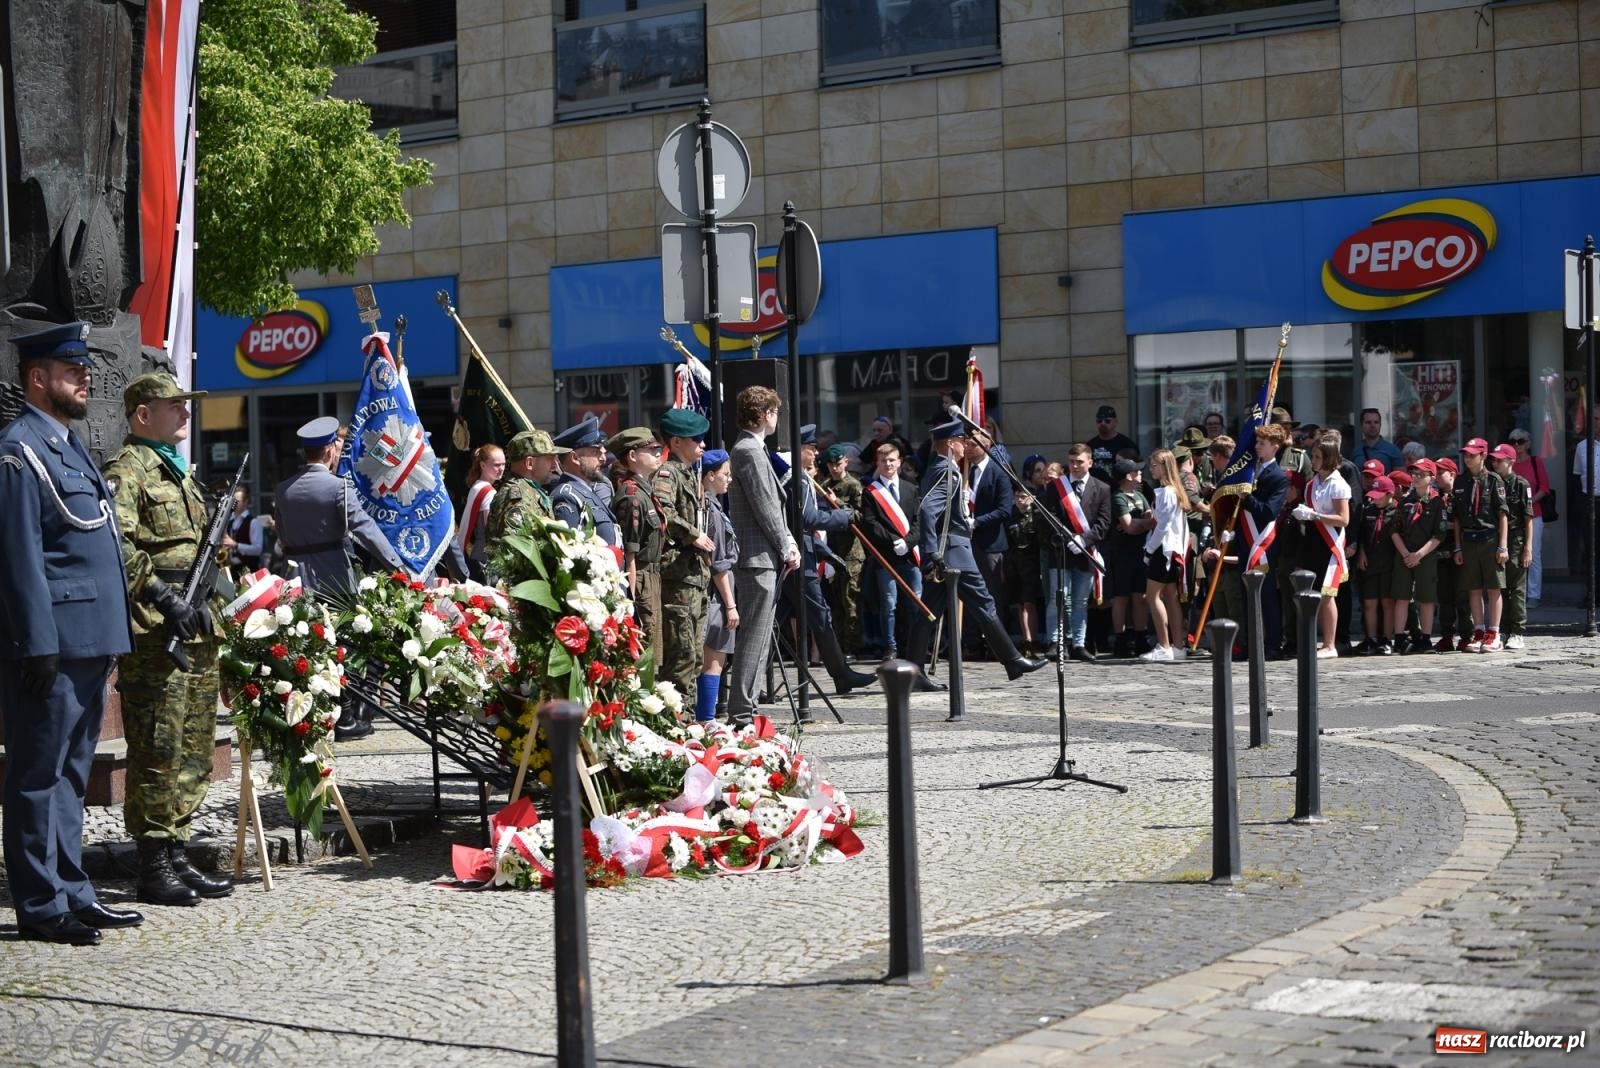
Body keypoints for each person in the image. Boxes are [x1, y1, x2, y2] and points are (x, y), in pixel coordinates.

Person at [0, 321, 140, 945]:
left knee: (70, 774)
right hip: (53, 643)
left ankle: (71, 890)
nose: (85, 377)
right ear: (37, 377)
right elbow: (20, 555)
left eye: (82, 367)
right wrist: (38, 643)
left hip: (89, 638)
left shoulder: (67, 443)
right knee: (35, 775)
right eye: (70, 368)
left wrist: (111, 635)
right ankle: (38, 903)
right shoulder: (19, 448)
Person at [102, 372, 235, 907]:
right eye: (174, 405)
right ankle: (153, 862)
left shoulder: (180, 473)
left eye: (186, 405)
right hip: (159, 629)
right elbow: (117, 543)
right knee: (158, 745)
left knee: (194, 745)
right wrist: (161, 594)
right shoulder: (126, 471)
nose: (186, 413)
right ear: (142, 415)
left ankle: (178, 848)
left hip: (198, 622)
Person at [901, 420, 1046, 697]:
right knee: (983, 602)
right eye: (961, 439)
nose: (966, 444)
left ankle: (914, 670)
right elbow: (929, 511)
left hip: (947, 551)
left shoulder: (941, 468)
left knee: (927, 613)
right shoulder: (947, 471)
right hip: (954, 553)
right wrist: (932, 552)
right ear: (951, 444)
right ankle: (1013, 660)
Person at [780, 424, 874, 702]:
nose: (815, 455)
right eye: (811, 450)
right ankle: (842, 674)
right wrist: (842, 518)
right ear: (800, 450)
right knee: (819, 615)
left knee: (777, 619)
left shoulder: (798, 478)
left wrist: (824, 552)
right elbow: (808, 519)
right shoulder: (798, 479)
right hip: (798, 559)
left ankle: (841, 674)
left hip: (802, 552)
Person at [726, 387, 800, 725]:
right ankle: (742, 712)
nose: (776, 418)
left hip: (762, 557)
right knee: (754, 638)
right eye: (774, 412)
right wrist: (786, 544)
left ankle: (748, 708)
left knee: (760, 637)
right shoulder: (748, 450)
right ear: (764, 414)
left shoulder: (753, 449)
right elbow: (766, 506)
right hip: (757, 557)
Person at [274, 416, 407, 598]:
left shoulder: (283, 490)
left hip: (294, 580)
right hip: (333, 579)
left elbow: (282, 536)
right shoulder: (338, 486)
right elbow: (363, 527)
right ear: (329, 451)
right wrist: (396, 565)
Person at [653, 408, 715, 699]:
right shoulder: (668, 473)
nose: (702, 444)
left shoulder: (688, 474)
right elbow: (663, 510)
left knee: (694, 657)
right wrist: (694, 535)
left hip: (693, 577)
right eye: (696, 439)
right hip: (678, 578)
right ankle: (678, 727)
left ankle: (690, 722)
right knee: (682, 657)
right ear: (676, 442)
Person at [1042, 444, 1110, 662]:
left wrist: (1083, 539)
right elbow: (1050, 517)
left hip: (1086, 552)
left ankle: (1079, 644)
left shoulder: (1102, 488)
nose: (1075, 466)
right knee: (1057, 598)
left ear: (1090, 462)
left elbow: (1103, 523)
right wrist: (1067, 539)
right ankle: (1056, 641)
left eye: (1080, 461)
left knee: (1080, 601)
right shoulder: (1056, 487)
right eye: (1071, 461)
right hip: (1061, 552)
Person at [858, 439, 922, 660]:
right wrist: (895, 541)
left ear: (900, 462)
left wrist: (908, 543)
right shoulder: (870, 492)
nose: (888, 464)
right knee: (889, 604)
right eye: (884, 460)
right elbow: (870, 524)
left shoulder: (911, 488)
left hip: (909, 557)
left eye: (892, 460)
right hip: (885, 556)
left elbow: (917, 522)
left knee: (916, 602)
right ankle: (891, 647)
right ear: (877, 462)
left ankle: (916, 645)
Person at [609, 426, 667, 665]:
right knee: (644, 657)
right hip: (640, 579)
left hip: (652, 576)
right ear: (632, 456)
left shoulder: (644, 490)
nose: (657, 453)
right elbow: (628, 555)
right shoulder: (633, 496)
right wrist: (629, 601)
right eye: (651, 449)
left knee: (654, 654)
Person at [1293, 436, 1352, 658]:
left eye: (1317, 457)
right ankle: (1319, 641)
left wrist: (1315, 515)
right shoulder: (1313, 483)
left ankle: (1330, 644)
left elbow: (1343, 519)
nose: (1313, 460)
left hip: (1331, 543)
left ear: (1329, 459)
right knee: (1315, 594)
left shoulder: (1338, 484)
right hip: (1313, 542)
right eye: (1313, 455)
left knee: (1328, 595)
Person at [1452, 437, 1509, 653]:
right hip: (1468, 539)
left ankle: (1493, 633)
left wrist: (1503, 546)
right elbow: (1457, 517)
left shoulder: (1494, 480)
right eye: (1465, 454)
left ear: (1483, 456)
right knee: (1473, 588)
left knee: (1494, 587)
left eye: (1472, 454)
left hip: (1489, 538)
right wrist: (1457, 546)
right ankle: (1478, 631)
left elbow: (1502, 514)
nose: (1467, 458)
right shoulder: (1460, 481)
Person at [696, 450, 739, 722]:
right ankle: (707, 719)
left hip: (712, 592)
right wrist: (731, 605)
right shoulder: (710, 509)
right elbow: (718, 563)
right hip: (716, 595)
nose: (730, 480)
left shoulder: (710, 506)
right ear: (710, 476)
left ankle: (705, 717)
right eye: (725, 474)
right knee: (714, 658)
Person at [1140, 449, 1192, 662]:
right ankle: (1177, 645)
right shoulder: (1171, 491)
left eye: (1154, 465)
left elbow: (1162, 526)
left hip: (1164, 550)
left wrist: (1149, 549)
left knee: (1153, 596)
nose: (1151, 469)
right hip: (1172, 550)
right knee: (1171, 597)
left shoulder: (1167, 492)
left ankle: (1164, 645)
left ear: (1165, 466)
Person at [1389, 458, 1446, 654]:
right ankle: (1398, 638)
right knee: (1402, 597)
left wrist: (1418, 555)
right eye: (1414, 474)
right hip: (1404, 554)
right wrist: (1406, 553)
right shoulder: (1406, 501)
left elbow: (1439, 534)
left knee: (1427, 598)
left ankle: (1426, 639)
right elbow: (1394, 530)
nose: (1416, 478)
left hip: (1426, 555)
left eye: (1421, 474)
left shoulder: (1438, 502)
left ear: (1432, 477)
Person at [966, 430, 1015, 655]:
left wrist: (977, 522)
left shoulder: (999, 472)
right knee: (968, 595)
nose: (966, 447)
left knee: (992, 595)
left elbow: (1005, 510)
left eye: (971, 444)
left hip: (990, 544)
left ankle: (998, 647)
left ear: (984, 445)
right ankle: (972, 643)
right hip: (966, 543)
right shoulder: (962, 471)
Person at [819, 442, 866, 655]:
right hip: (832, 550)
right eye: (831, 464)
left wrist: (838, 503)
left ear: (845, 462)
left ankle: (852, 646)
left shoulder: (853, 486)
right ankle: (838, 645)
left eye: (838, 463)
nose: (834, 468)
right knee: (835, 600)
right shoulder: (824, 484)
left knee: (850, 600)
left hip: (850, 552)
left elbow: (860, 517)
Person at [486, 429, 567, 542]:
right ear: (529, 463)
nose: (555, 465)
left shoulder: (529, 491)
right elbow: (516, 551)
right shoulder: (516, 499)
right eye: (550, 459)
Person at [1107, 458, 1153, 658]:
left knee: (1140, 596)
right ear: (1128, 476)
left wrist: (1140, 523)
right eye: (1137, 472)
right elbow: (1130, 527)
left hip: (1140, 552)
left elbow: (1150, 519)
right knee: (1121, 597)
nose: (1141, 475)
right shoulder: (1118, 498)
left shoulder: (1140, 495)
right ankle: (1121, 638)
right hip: (1121, 554)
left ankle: (1141, 636)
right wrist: (1141, 523)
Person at [550, 416, 619, 550]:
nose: (603, 459)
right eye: (595, 452)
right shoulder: (566, 496)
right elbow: (574, 551)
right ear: (575, 458)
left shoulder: (585, 490)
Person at [1490, 443, 1533, 650]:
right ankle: (1504, 628)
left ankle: (1517, 631)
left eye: (1500, 459)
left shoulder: (1521, 484)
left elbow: (1528, 519)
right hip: (1497, 540)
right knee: (1500, 586)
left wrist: (1528, 547)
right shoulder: (1492, 482)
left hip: (1516, 540)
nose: (1495, 462)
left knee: (1517, 588)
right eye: (1494, 459)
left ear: (1511, 461)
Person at [1354, 475, 1400, 655]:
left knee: (1387, 602)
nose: (1375, 499)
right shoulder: (1368, 510)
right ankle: (1371, 638)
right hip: (1370, 562)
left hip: (1388, 562)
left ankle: (1386, 639)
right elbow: (1362, 534)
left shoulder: (1397, 510)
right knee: (1369, 602)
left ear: (1390, 494)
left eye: (1379, 495)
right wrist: (1362, 552)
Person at [1508, 429, 1549, 607]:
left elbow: (1544, 488)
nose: (1517, 445)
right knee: (1512, 553)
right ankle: (1517, 592)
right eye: (1513, 441)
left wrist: (1528, 502)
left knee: (1534, 553)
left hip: (1534, 514)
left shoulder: (1535, 461)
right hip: (1512, 516)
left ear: (1528, 443)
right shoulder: (1507, 464)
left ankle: (1533, 594)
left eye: (1521, 441)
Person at [455, 443, 504, 582]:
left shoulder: (477, 486)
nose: (501, 469)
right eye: (496, 465)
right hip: (486, 558)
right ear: (482, 465)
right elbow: (491, 528)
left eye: (503, 464)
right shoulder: (488, 492)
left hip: (476, 554)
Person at [1575, 403, 1600, 594]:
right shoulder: (1581, 447)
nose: (1596, 423)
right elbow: (1577, 476)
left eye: (1598, 419)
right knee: (1591, 549)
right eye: (1593, 419)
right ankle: (1592, 593)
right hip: (1589, 501)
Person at [223, 485, 267, 575]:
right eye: (233, 501)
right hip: (232, 569)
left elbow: (258, 549)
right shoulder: (230, 521)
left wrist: (236, 545)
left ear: (246, 502)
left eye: (237, 501)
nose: (234, 504)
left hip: (249, 570)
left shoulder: (253, 522)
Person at [1088, 405, 1137, 483]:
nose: (1103, 423)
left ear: (1115, 422)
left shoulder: (1126, 444)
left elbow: (1135, 468)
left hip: (1117, 488)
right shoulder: (1090, 445)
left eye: (1107, 421)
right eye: (1099, 421)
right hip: (1096, 488)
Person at [1350, 407, 1404, 473]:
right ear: (1361, 425)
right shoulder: (1356, 451)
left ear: (1380, 425)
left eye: (1376, 422)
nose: (1372, 425)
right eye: (1368, 422)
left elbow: (1401, 479)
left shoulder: (1393, 451)